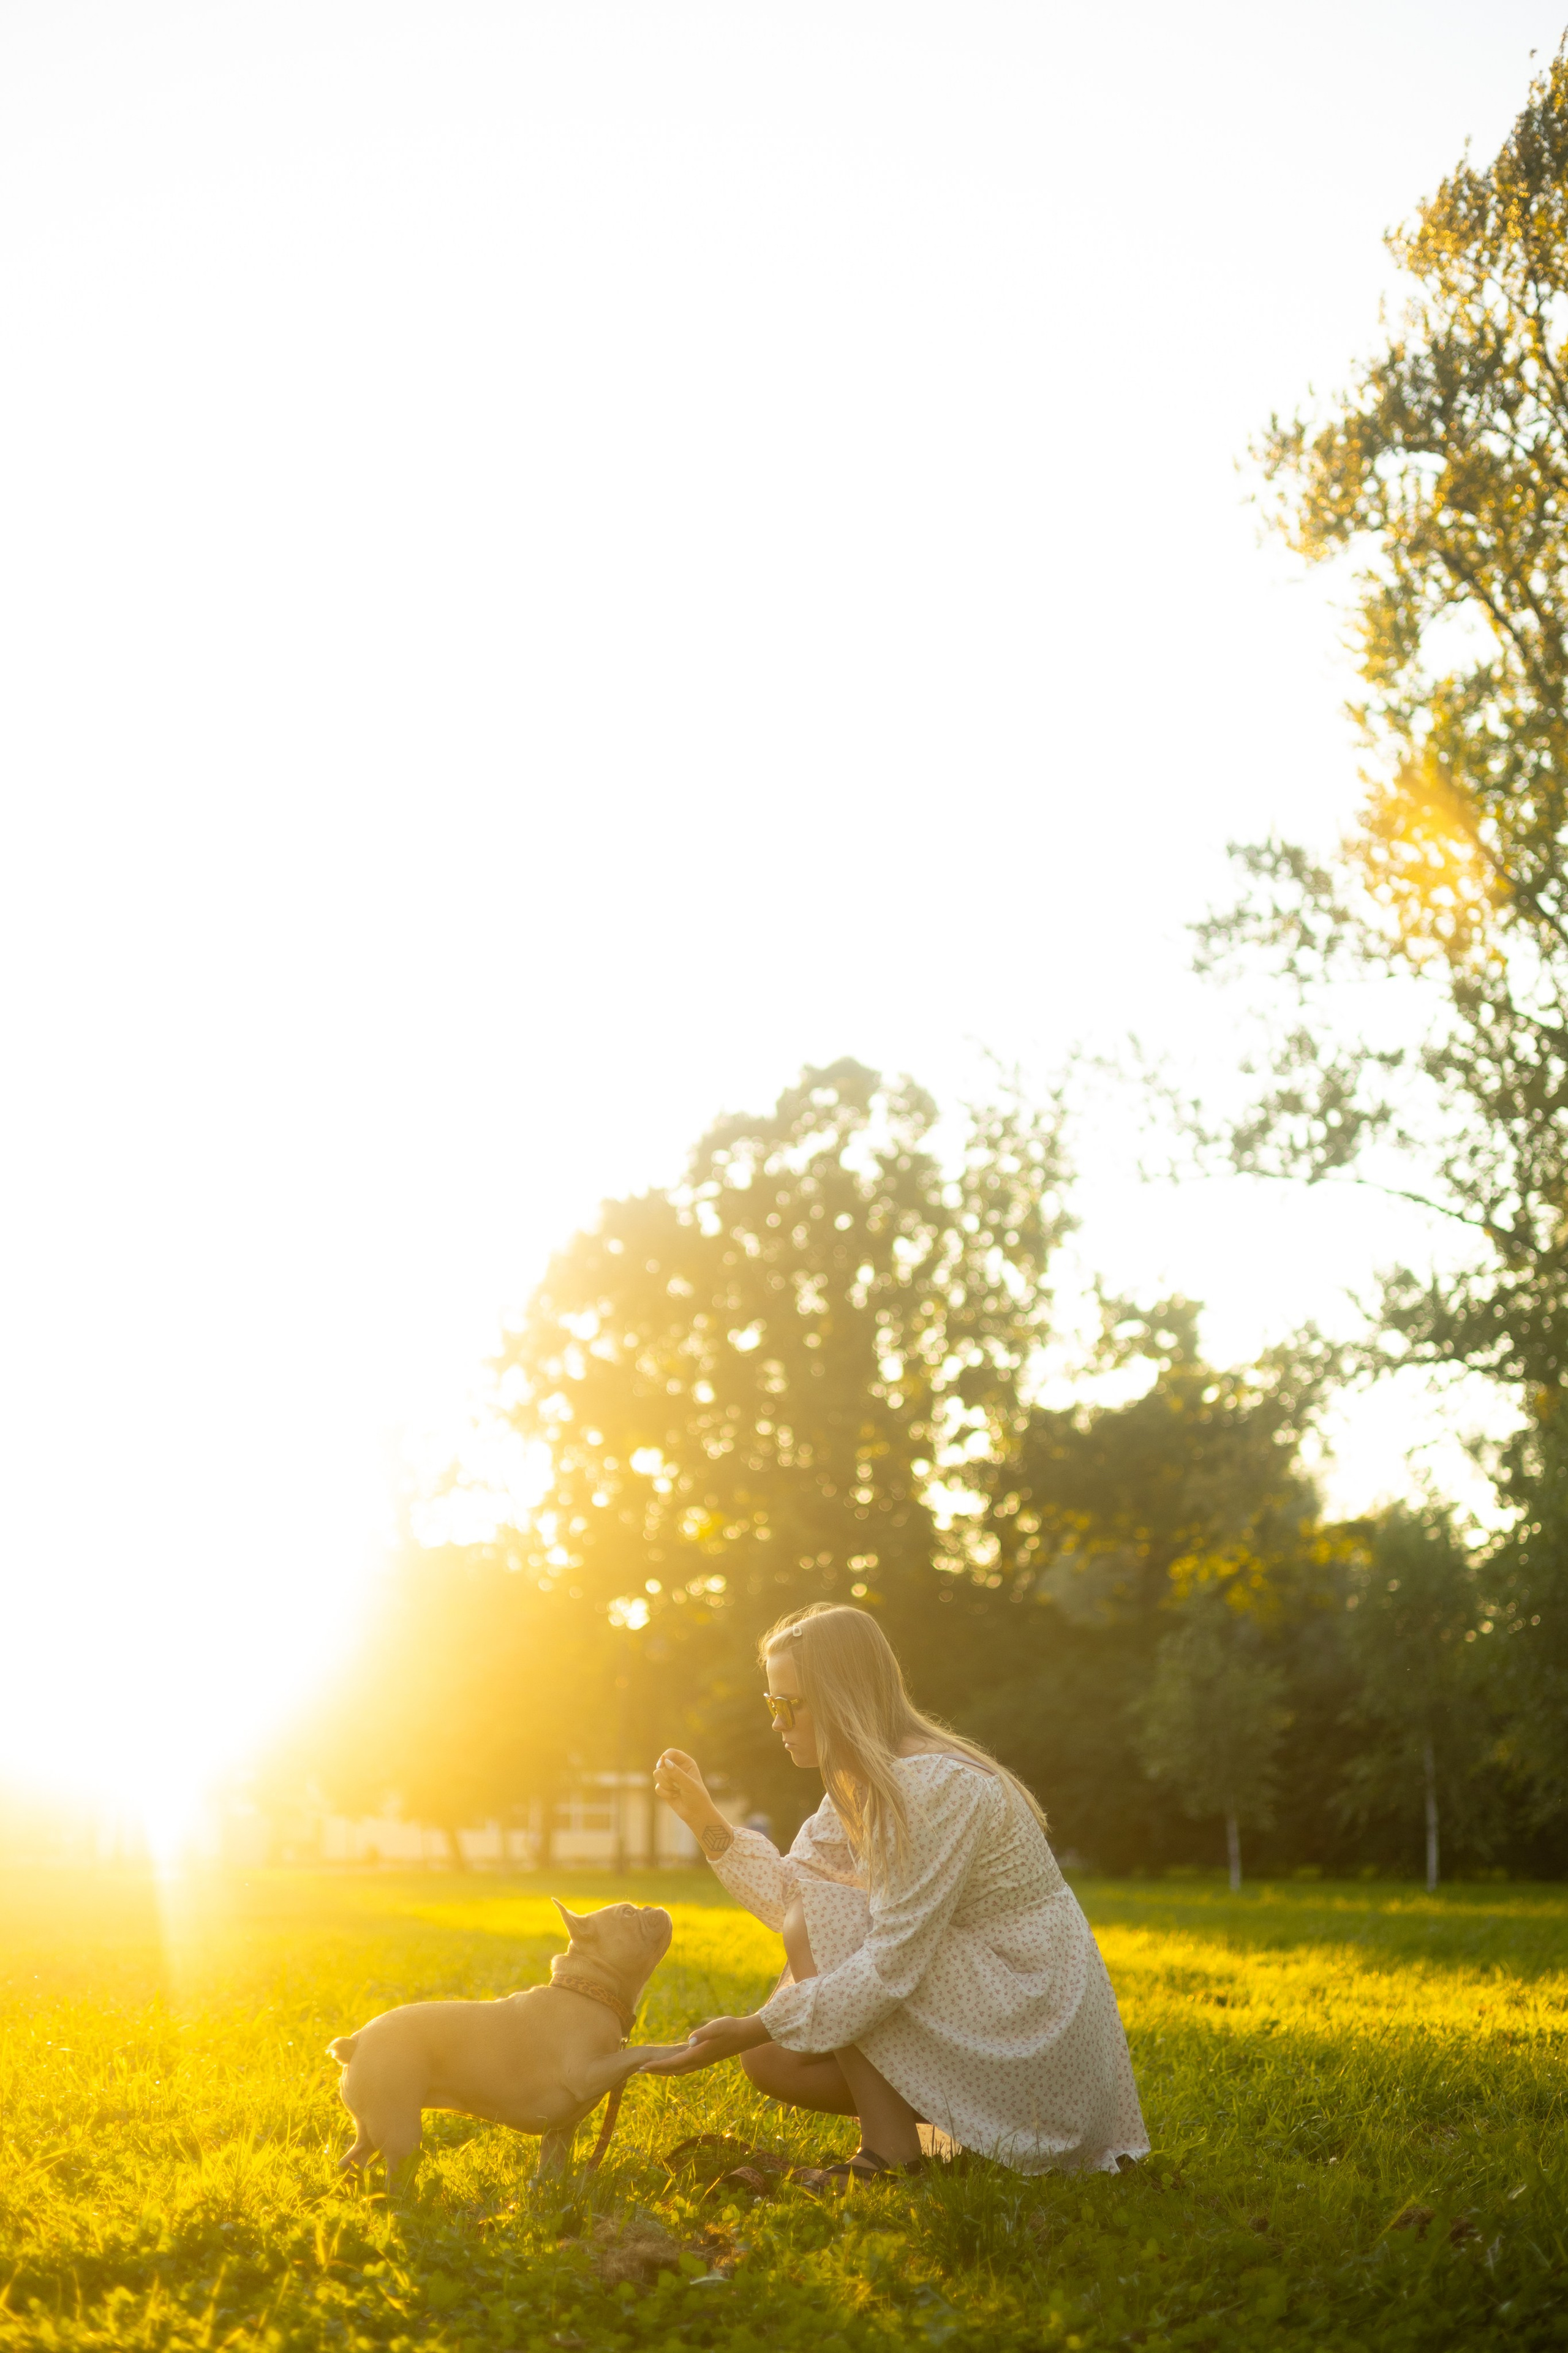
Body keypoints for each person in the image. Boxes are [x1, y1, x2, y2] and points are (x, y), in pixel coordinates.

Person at [643, 1603, 1148, 2180]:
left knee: (811, 1939)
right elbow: (789, 1893)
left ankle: (888, 2151)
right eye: (770, 1703)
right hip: (991, 2011)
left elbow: (888, 1963)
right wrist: (704, 1818)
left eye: (787, 1704)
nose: (776, 1723)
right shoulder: (863, 1778)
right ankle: (960, 2134)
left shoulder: (929, 1785)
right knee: (771, 2059)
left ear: (838, 1697)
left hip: (1035, 2028)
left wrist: (753, 2023)